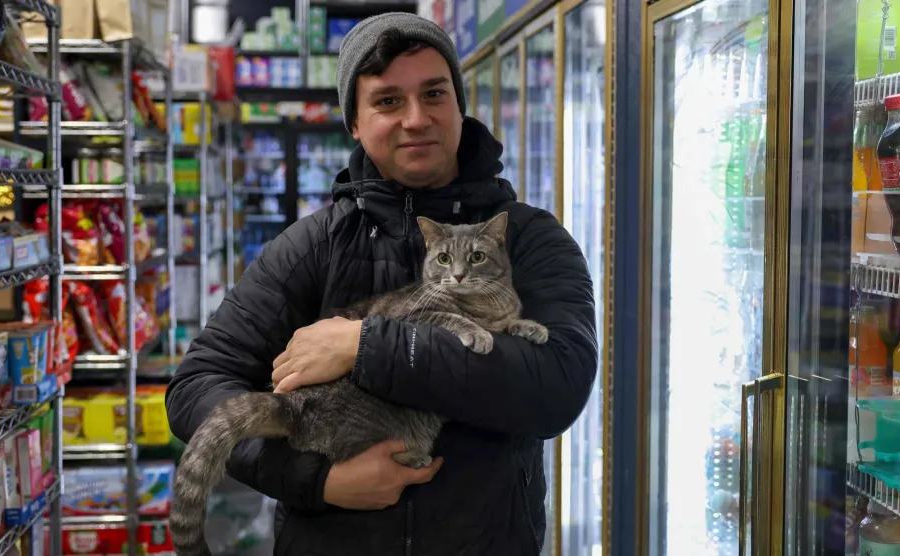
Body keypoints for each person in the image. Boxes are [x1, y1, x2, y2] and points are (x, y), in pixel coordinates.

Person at [165, 12, 597, 556]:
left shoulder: (530, 239)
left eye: (434, 93)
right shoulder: (311, 246)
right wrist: (313, 480)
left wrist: (367, 345)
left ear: (459, 105)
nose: (416, 119)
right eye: (388, 101)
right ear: (354, 122)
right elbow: (196, 388)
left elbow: (560, 388)